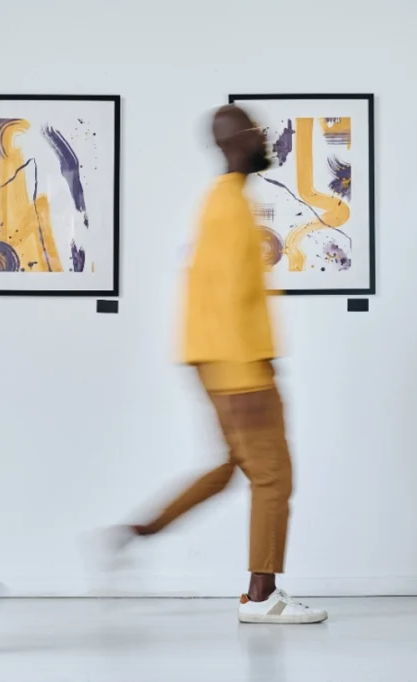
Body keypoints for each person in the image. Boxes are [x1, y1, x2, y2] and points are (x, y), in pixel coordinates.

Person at [104, 105, 327, 624]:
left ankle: (138, 532)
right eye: (251, 131)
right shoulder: (228, 208)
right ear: (231, 144)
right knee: (273, 478)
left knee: (232, 467)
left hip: (222, 361)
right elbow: (224, 300)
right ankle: (261, 596)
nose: (262, 137)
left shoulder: (222, 202)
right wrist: (249, 373)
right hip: (238, 366)